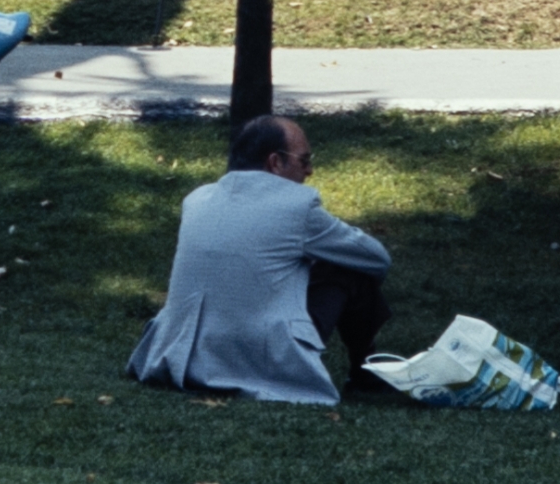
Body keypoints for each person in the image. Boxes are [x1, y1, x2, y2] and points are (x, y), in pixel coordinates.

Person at [127, 116, 392, 404]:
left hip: (179, 353)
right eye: (304, 161)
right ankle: (365, 374)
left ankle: (366, 373)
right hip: (255, 353)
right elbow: (375, 258)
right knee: (349, 268)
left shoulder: (197, 199)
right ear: (275, 162)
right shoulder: (297, 206)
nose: (310, 171)